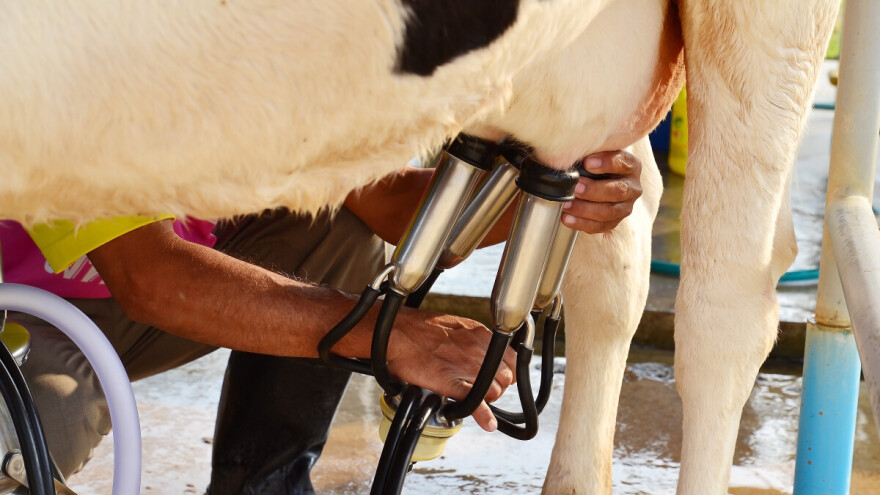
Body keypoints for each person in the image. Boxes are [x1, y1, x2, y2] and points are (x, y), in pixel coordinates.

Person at [0, 149, 643, 493]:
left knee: (331, 222)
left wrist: (550, 193)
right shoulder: (79, 43)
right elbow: (152, 277)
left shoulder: (250, 50)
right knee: (37, 426)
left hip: (114, 302)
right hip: (20, 321)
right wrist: (388, 335)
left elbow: (383, 204)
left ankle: (268, 486)